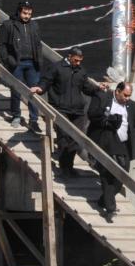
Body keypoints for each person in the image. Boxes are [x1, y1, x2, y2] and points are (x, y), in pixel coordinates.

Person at [87, 81, 135, 219]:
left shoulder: (130, 105)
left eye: (129, 95)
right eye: (125, 95)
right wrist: (107, 119)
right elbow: (92, 114)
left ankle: (103, 201)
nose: (127, 98)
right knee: (107, 174)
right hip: (105, 142)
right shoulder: (103, 98)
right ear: (117, 91)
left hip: (123, 144)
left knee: (122, 176)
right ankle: (110, 209)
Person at [32, 46, 101, 176]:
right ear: (69, 57)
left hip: (77, 110)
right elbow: (46, 81)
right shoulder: (57, 67)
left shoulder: (81, 71)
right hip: (60, 108)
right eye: (76, 60)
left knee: (76, 139)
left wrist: (97, 89)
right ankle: (65, 167)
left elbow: (86, 88)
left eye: (80, 61)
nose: (78, 63)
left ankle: (68, 165)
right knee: (63, 138)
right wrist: (40, 89)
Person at [0, 0, 42, 132]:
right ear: (18, 11)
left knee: (34, 92)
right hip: (16, 62)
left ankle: (33, 120)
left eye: (29, 13)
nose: (27, 16)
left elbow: (38, 44)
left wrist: (39, 60)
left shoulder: (34, 25)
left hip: (32, 63)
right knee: (16, 89)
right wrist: (8, 60)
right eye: (24, 13)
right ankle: (16, 115)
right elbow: (2, 45)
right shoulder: (8, 25)